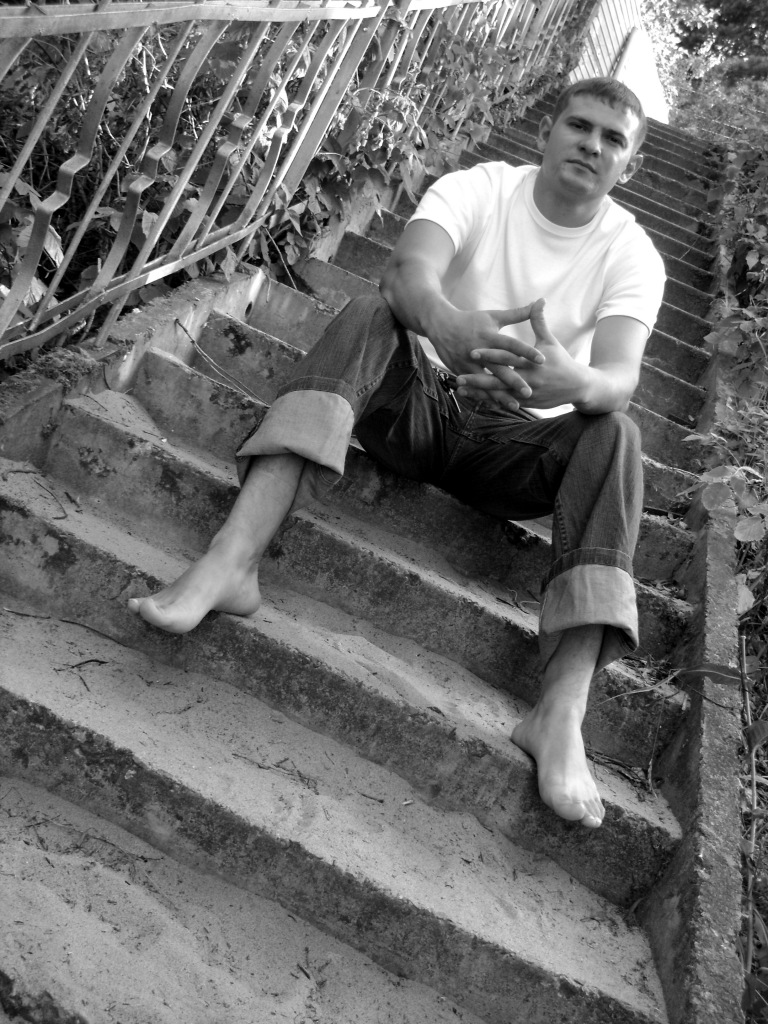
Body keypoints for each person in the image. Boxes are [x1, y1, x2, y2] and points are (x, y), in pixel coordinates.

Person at [128, 77, 666, 831]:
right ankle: (230, 561)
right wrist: (446, 325)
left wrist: (574, 382)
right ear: (549, 130)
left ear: (630, 166)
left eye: (614, 140)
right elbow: (406, 273)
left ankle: (559, 712)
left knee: (617, 434)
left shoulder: (632, 252)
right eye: (580, 126)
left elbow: (619, 377)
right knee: (370, 312)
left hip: (519, 451)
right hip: (421, 404)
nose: (592, 145)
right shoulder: (483, 187)